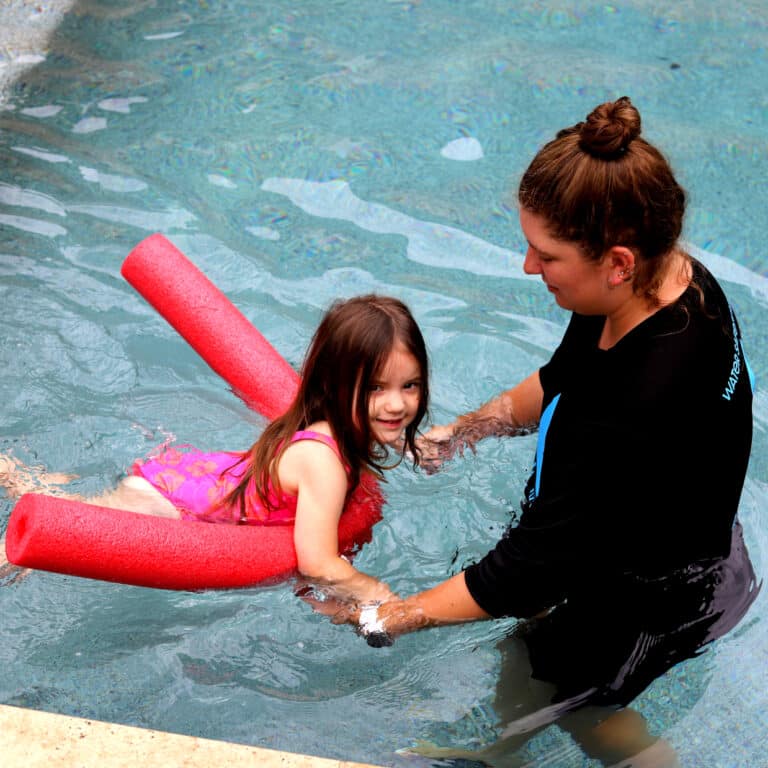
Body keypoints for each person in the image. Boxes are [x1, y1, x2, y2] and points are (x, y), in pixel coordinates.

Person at [314, 98, 760, 767]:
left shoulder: (635, 406)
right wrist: (465, 431)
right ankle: (507, 753)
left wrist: (388, 616)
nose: (528, 267)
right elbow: (565, 373)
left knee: (581, 712)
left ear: (616, 261)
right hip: (689, 538)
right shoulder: (665, 280)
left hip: (655, 596)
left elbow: (523, 575)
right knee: (524, 675)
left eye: (546, 255)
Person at [0, 294, 430, 604]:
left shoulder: (338, 430)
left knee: (76, 504)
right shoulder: (324, 462)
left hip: (201, 479)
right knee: (51, 542)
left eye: (409, 385)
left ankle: (22, 478)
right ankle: (15, 489)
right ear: (335, 388)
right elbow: (317, 564)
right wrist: (375, 593)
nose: (397, 403)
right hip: (172, 503)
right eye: (375, 388)